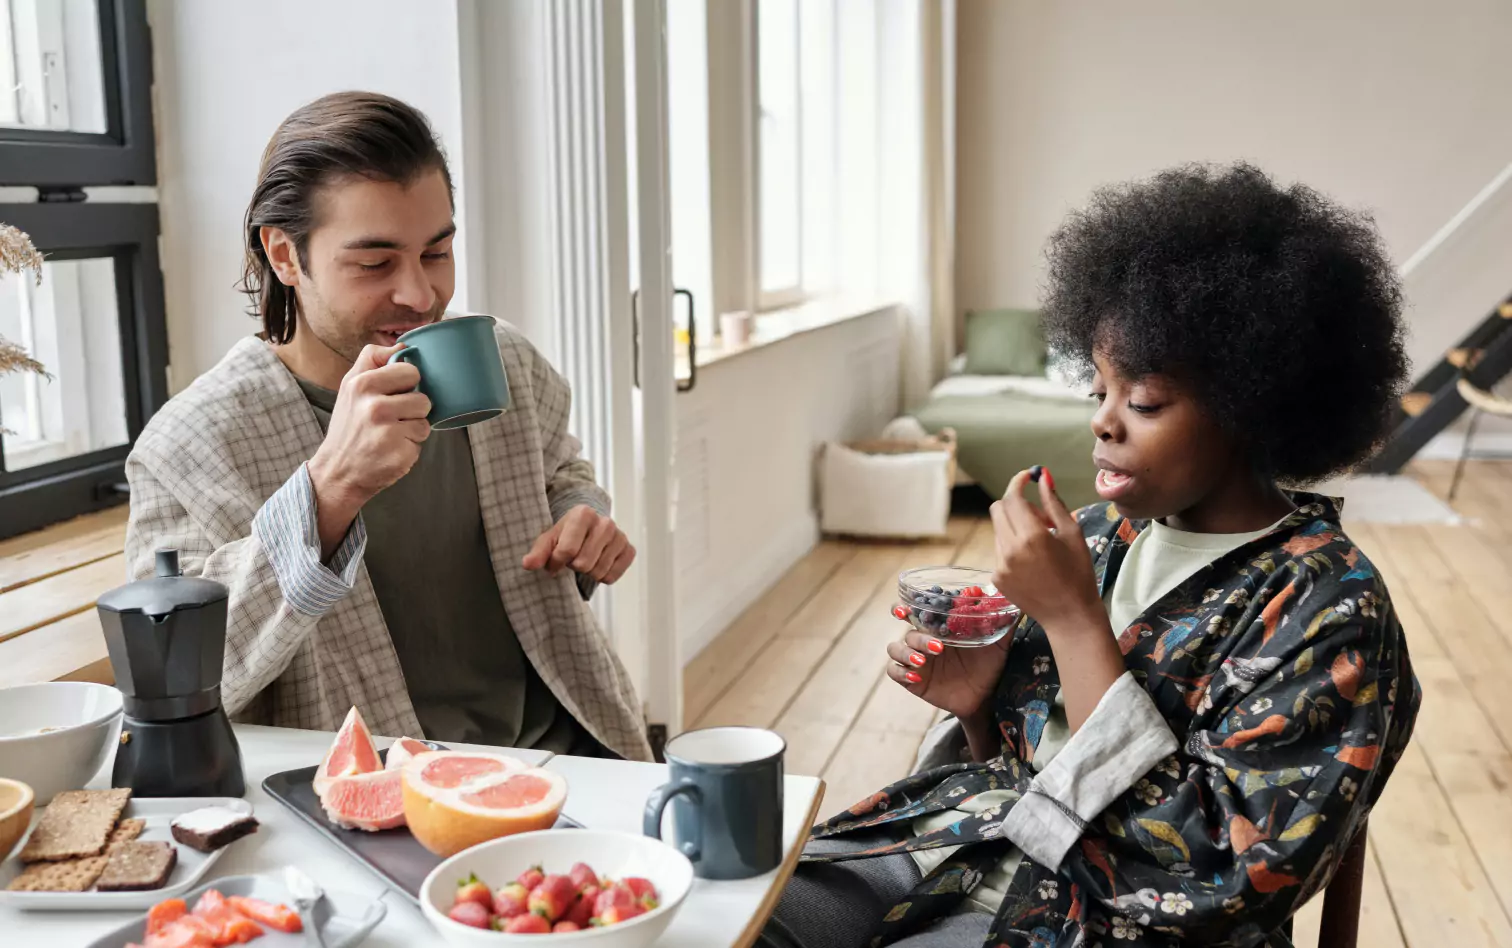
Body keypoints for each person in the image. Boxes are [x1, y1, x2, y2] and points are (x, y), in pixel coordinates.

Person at [760, 163, 1420, 947]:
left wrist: (1075, 622)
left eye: (1142, 401)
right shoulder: (1100, 539)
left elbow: (1219, 877)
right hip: (966, 854)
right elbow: (1026, 768)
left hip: (1105, 926)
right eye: (1098, 392)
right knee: (733, 920)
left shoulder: (1330, 610)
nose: (1104, 424)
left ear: (1252, 402)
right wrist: (978, 709)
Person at [125, 91, 650, 761]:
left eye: (437, 252)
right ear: (285, 255)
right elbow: (173, 680)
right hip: (372, 799)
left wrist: (582, 518)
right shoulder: (190, 444)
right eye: (375, 263)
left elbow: (559, 471)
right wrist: (330, 490)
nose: (421, 295)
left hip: (576, 754)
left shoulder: (504, 362)